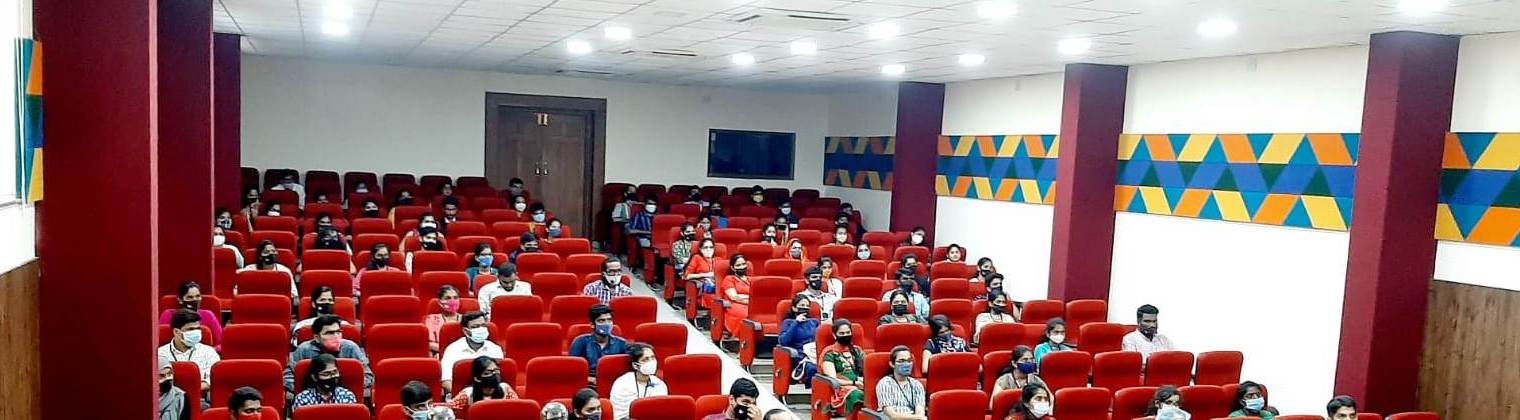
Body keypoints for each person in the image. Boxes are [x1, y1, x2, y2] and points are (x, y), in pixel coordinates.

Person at [285, 315, 374, 393]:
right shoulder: (303, 349)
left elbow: (368, 376)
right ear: (317, 337)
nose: (336, 336)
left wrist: (342, 392)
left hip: (345, 398)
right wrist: (311, 392)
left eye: (338, 332)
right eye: (329, 333)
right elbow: (287, 377)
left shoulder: (351, 348)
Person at [157, 310, 219, 393]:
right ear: (176, 332)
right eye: (191, 329)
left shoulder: (209, 352)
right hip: (168, 396)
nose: (196, 332)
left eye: (198, 328)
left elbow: (211, 381)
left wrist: (187, 391)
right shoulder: (160, 354)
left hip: (199, 396)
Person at [440, 312, 504, 391]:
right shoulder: (452, 350)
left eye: (483, 325)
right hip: (462, 395)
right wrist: (465, 395)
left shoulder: (495, 349)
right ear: (466, 331)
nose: (481, 329)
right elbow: (446, 381)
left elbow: (500, 379)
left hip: (491, 394)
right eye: (475, 327)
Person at [568, 304, 629, 383]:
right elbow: (572, 369)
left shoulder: (622, 343)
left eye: (609, 320)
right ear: (592, 325)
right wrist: (590, 379)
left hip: (614, 383)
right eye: (601, 321)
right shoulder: (580, 342)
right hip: (588, 384)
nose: (607, 324)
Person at [609, 343, 667, 420]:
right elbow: (619, 415)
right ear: (635, 365)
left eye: (653, 358)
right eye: (646, 359)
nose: (651, 362)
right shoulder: (622, 384)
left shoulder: (660, 384)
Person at [820, 319, 865, 416]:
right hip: (841, 388)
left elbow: (866, 371)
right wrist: (854, 383)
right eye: (842, 333)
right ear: (834, 335)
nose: (845, 335)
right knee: (858, 395)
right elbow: (832, 379)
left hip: (861, 383)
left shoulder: (857, 350)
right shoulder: (829, 353)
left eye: (848, 332)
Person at [447, 356, 519, 412]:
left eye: (496, 371)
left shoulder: (505, 388)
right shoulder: (467, 393)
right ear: (477, 378)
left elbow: (518, 409)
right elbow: (449, 410)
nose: (494, 375)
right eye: (487, 373)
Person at [159, 281, 224, 342]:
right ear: (180, 300)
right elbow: (159, 339)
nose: (195, 300)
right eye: (190, 297)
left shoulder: (208, 315)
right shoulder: (168, 315)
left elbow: (221, 342)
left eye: (197, 296)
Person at [875, 345, 927, 420]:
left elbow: (920, 412)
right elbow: (892, 416)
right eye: (901, 361)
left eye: (909, 361)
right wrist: (917, 417)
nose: (906, 364)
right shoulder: (885, 384)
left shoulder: (917, 385)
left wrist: (918, 417)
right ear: (892, 364)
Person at [778, 295, 819, 385]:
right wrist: (796, 322)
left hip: (815, 354)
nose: (805, 308)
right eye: (802, 305)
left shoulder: (814, 322)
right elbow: (783, 341)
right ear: (794, 308)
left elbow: (820, 339)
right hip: (800, 356)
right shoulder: (788, 322)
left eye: (807, 306)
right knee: (812, 368)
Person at [292, 353, 359, 408]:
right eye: (326, 374)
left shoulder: (346, 395)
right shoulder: (303, 398)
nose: (332, 377)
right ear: (314, 377)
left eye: (334, 372)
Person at [720, 254, 754, 335]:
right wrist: (751, 300)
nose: (742, 267)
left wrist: (745, 298)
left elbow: (757, 296)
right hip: (735, 305)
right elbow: (734, 297)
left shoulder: (751, 280)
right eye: (738, 265)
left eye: (743, 264)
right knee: (746, 315)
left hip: (751, 304)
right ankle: (744, 337)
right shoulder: (729, 279)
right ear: (733, 268)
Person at [425, 285, 465, 354]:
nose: (452, 301)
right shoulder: (432, 319)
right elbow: (429, 343)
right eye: (448, 298)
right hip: (440, 353)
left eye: (455, 298)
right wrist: (450, 351)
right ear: (440, 302)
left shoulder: (466, 319)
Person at [626, 196, 657, 263]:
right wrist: (648, 232)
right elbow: (631, 230)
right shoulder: (639, 215)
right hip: (644, 237)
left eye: (654, 204)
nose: (652, 206)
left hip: (658, 239)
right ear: (645, 204)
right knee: (648, 246)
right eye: (650, 204)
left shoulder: (659, 216)